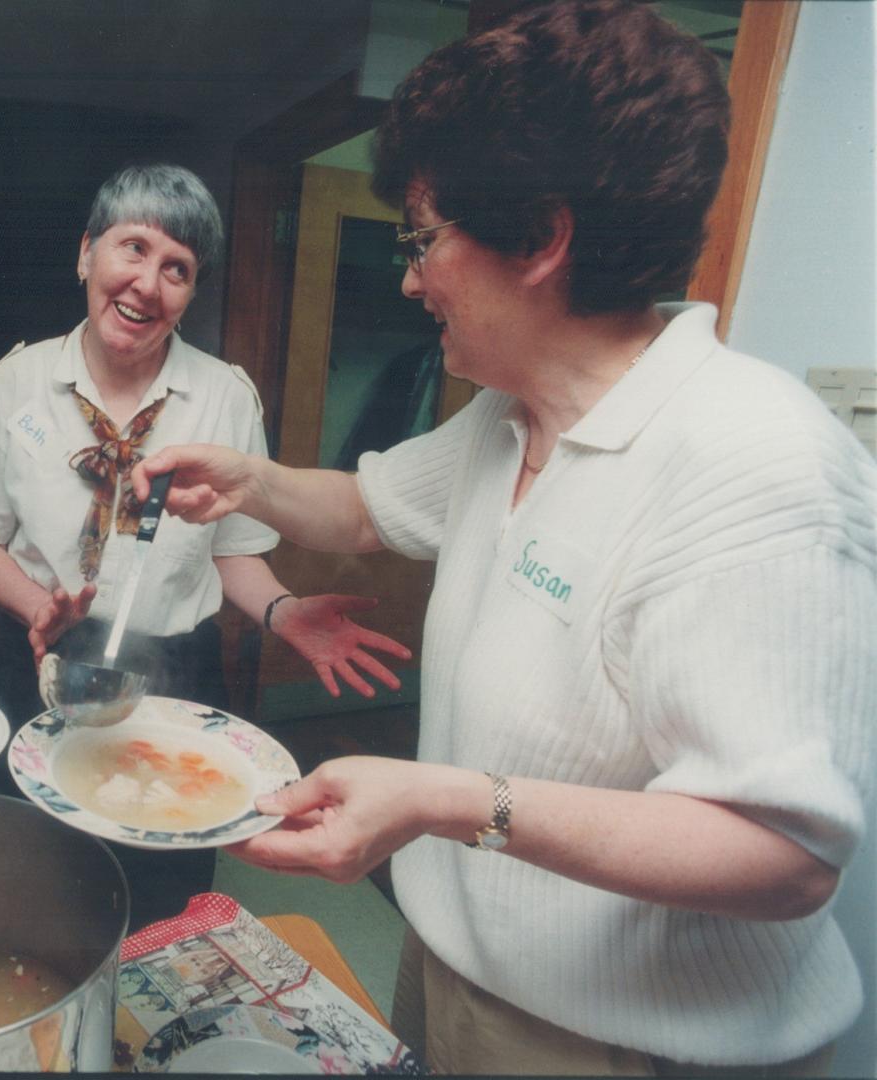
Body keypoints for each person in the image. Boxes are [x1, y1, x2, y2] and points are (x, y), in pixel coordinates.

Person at [134, 4, 875, 1074]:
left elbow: (778, 854)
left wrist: (442, 798)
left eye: (422, 240)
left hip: (620, 1042)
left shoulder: (756, 464)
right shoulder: (507, 414)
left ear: (539, 236)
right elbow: (362, 507)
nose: (408, 277)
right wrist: (245, 476)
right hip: (450, 969)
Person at [0, 163, 411, 929]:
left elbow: (234, 552)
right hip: (39, 660)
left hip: (177, 676)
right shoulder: (16, 382)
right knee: (26, 882)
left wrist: (282, 612)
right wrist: (41, 608)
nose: (147, 284)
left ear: (191, 293)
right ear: (86, 253)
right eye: (132, 248)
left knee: (162, 893)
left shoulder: (225, 394)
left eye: (177, 268)